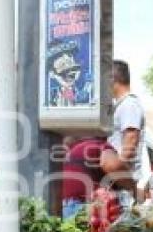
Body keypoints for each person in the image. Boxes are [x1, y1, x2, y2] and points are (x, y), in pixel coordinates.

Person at [61, 137, 131, 220]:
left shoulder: (75, 149)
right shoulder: (100, 145)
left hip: (66, 206)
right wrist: (133, 187)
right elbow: (112, 165)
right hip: (85, 207)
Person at [108, 60, 145, 206]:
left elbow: (130, 141)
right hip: (120, 183)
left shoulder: (129, 105)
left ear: (112, 79)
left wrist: (116, 170)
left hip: (123, 186)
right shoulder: (121, 105)